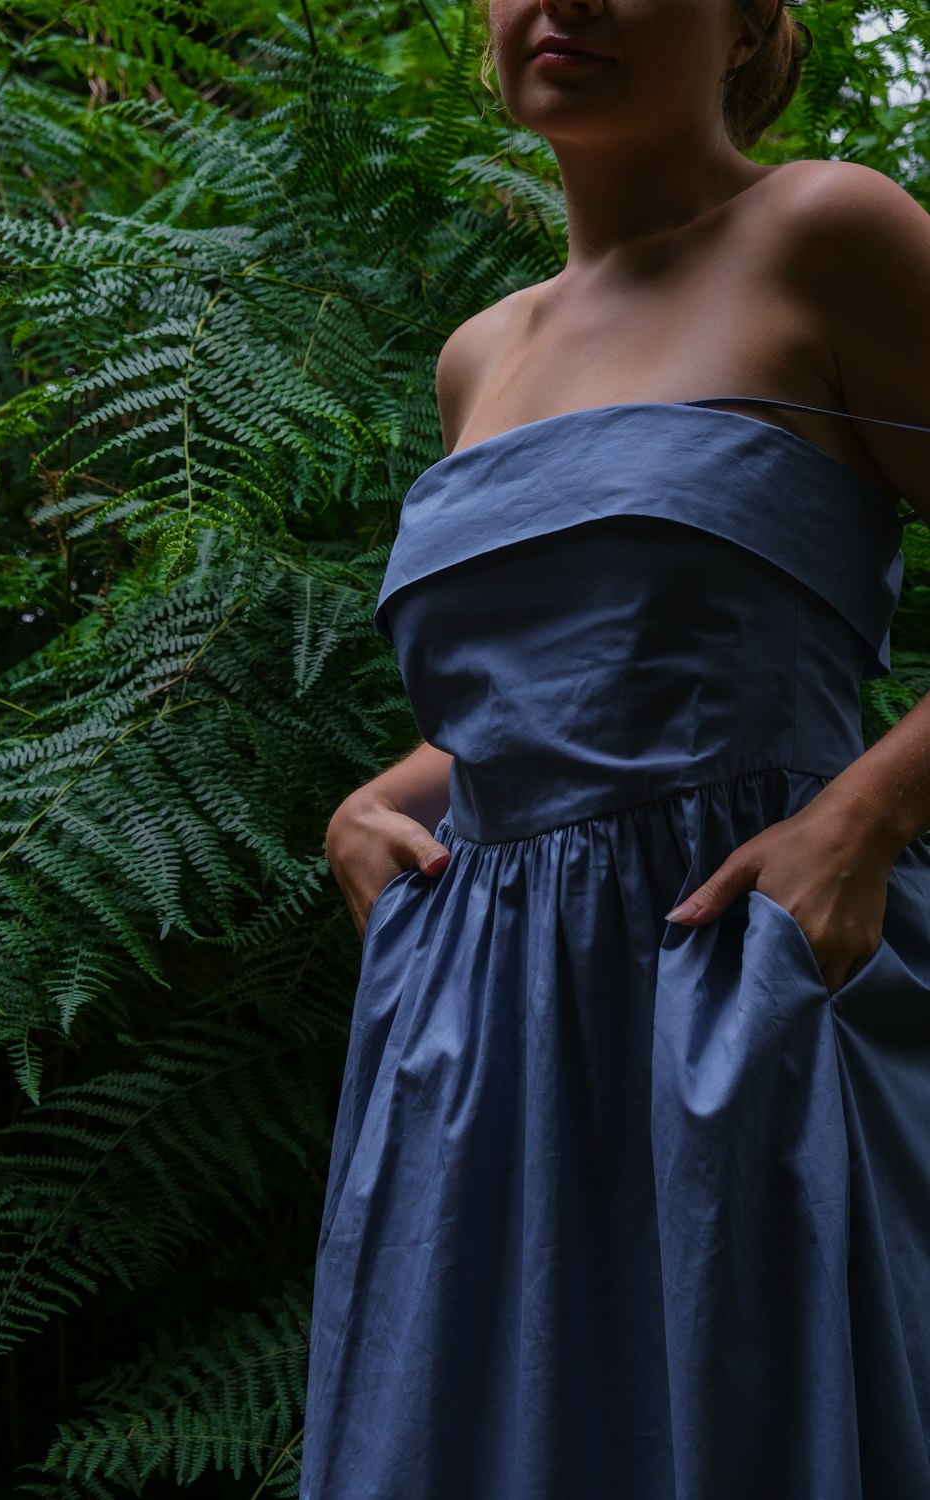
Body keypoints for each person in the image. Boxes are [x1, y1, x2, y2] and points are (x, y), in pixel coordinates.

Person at [300, 1, 930, 1496]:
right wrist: (374, 800)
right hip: (480, 1043)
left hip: (737, 985)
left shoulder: (826, 230)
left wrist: (870, 813)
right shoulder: (483, 354)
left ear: (744, 25)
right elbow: (566, 686)